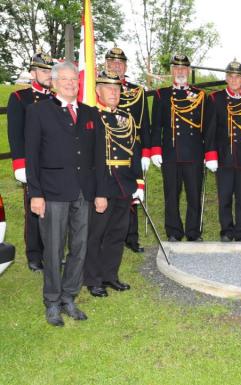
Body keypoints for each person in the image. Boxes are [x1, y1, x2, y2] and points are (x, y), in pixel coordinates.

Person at [25, 61, 105, 326]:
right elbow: (32, 157)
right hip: (53, 192)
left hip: (84, 191)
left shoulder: (90, 113)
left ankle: (69, 296)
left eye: (75, 80)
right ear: (55, 82)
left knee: (79, 248)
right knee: (54, 248)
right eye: (66, 80)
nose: (71, 84)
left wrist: (101, 192)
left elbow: (99, 158)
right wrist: (35, 194)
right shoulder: (37, 112)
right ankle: (52, 300)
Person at [83, 70, 144, 298]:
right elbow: (87, 156)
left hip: (124, 183)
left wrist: (139, 182)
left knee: (118, 233)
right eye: (108, 88)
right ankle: (93, 279)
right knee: (96, 234)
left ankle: (110, 275)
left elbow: (134, 151)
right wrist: (96, 189)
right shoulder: (90, 116)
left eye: (117, 89)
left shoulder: (126, 118)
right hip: (103, 181)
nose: (113, 92)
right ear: (98, 91)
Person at [150, 54, 215, 242]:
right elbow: (157, 126)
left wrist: (209, 153)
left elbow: (208, 127)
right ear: (171, 71)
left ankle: (193, 232)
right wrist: (155, 149)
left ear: (189, 71)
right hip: (170, 153)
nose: (180, 71)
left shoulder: (201, 96)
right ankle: (173, 231)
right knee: (171, 194)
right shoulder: (162, 95)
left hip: (195, 153)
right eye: (176, 68)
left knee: (194, 195)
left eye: (183, 68)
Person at [6, 51, 55, 272]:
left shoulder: (57, 99)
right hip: (32, 165)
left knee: (54, 210)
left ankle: (50, 252)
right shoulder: (20, 98)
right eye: (43, 70)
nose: (47, 75)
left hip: (54, 164)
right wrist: (19, 164)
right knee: (34, 210)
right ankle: (34, 255)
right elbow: (15, 134)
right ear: (33, 72)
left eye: (50, 71)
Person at [209, 59, 241, 242]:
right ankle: (226, 230)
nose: (234, 80)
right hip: (224, 156)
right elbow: (210, 129)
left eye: (237, 77)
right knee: (224, 196)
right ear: (226, 78)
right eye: (230, 76)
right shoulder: (216, 99)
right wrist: (211, 155)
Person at [104, 47, 150, 254]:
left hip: (132, 147)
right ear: (106, 64)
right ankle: (109, 236)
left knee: (132, 193)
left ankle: (131, 237)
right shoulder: (100, 87)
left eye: (120, 63)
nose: (116, 66)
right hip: (107, 147)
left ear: (125, 66)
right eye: (112, 63)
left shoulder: (137, 91)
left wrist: (147, 152)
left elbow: (145, 123)